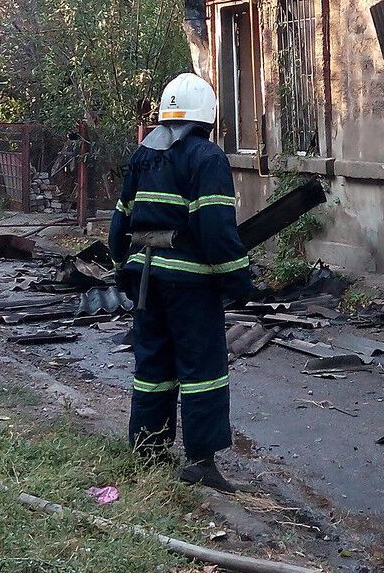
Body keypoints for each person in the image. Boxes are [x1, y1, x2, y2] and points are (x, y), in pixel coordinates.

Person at [109, 73, 251, 493]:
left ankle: (148, 448)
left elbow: (119, 223)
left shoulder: (141, 158)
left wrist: (124, 269)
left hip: (146, 283)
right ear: (206, 118)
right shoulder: (207, 158)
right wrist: (238, 280)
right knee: (202, 369)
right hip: (191, 288)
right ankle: (201, 463)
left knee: (153, 366)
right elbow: (216, 228)